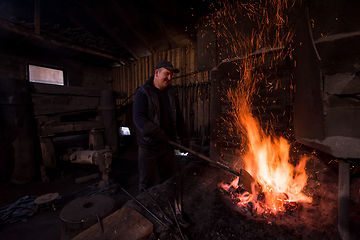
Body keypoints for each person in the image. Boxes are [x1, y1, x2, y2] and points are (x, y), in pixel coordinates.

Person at [133, 60, 189, 193]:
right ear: (157, 73)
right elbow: (138, 118)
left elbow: (178, 116)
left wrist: (184, 137)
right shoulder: (143, 92)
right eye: (167, 74)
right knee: (147, 182)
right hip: (149, 146)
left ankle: (164, 204)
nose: (170, 78)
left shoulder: (171, 92)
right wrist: (157, 133)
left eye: (171, 75)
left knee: (167, 179)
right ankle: (145, 207)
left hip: (168, 145)